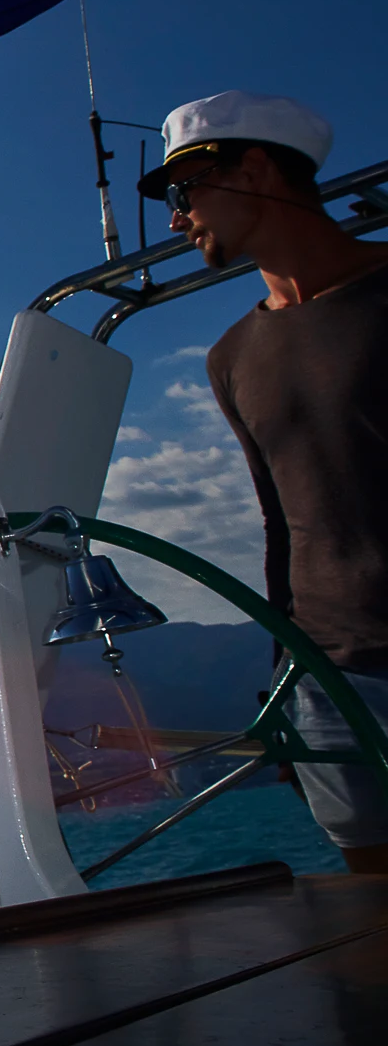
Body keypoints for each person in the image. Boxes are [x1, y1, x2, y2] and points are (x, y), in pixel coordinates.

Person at [138, 88, 388, 876]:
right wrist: (288, 680)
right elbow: (280, 525)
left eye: (184, 191)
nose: (176, 218)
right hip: (334, 679)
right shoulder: (232, 355)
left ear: (256, 169)